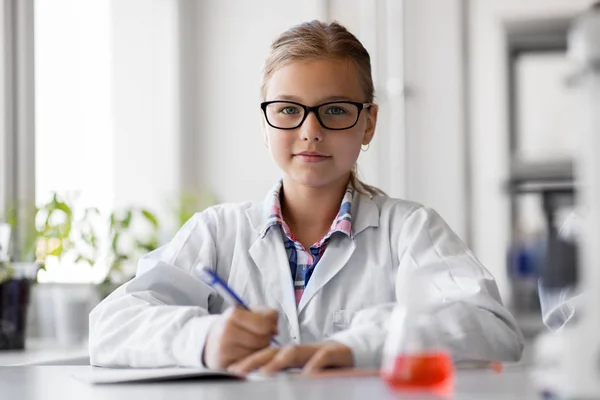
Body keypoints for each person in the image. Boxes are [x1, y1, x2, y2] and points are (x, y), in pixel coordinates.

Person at [89, 20, 524, 374]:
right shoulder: (217, 232)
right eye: (288, 110)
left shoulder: (410, 229)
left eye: (335, 109)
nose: (310, 130)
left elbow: (492, 328)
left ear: (368, 122)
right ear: (264, 123)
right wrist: (204, 338)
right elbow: (111, 326)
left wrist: (360, 345)